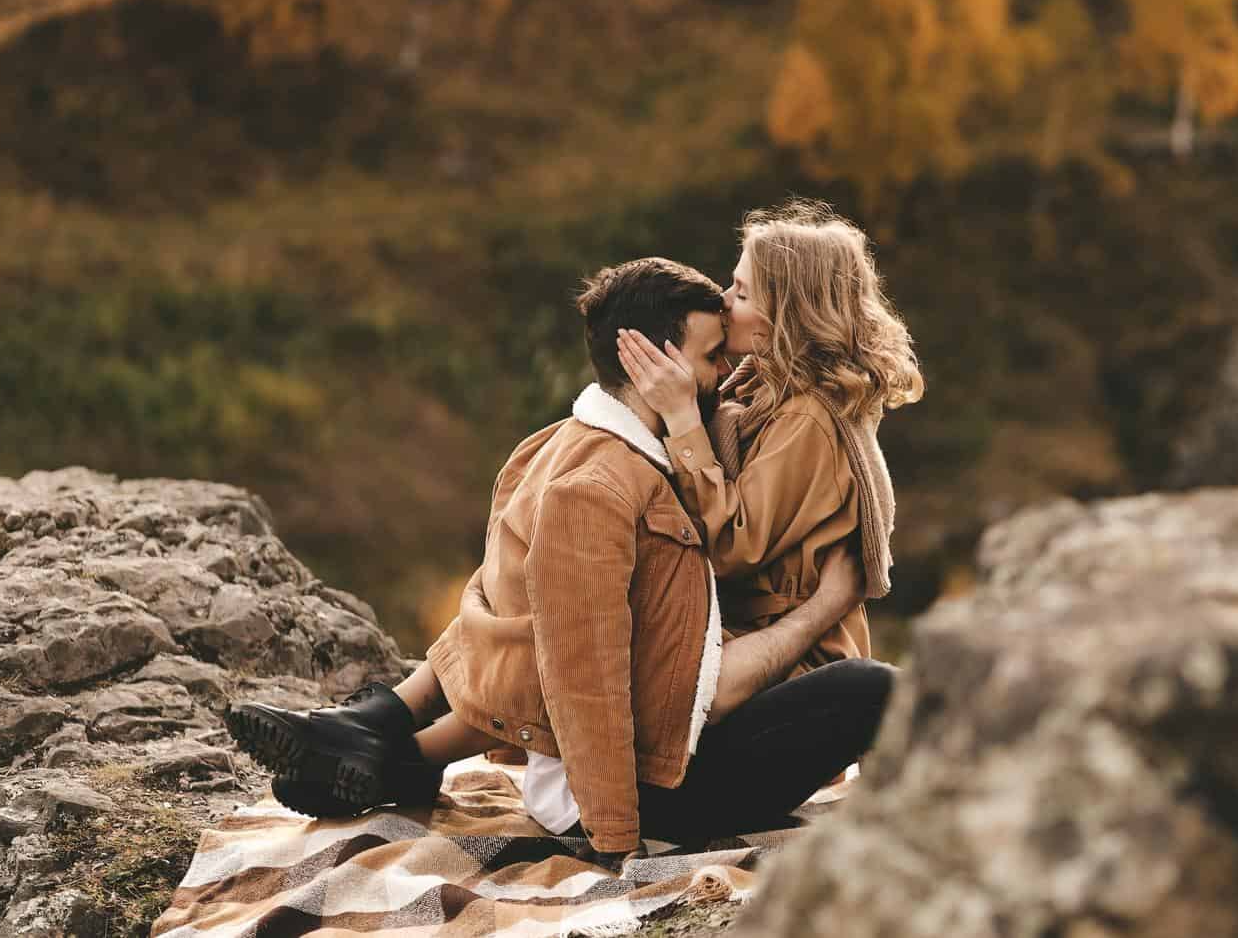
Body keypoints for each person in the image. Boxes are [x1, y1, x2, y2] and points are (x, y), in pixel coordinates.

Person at [227, 257, 895, 862]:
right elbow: (588, 673)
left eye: (740, 293)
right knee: (876, 687)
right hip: (654, 786)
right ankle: (384, 744)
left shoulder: (587, 442)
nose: (724, 374)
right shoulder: (607, 484)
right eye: (712, 355)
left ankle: (383, 746)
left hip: (652, 746)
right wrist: (615, 839)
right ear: (653, 366)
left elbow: (516, 608)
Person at [617, 199, 922, 672]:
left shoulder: (809, 419)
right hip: (748, 639)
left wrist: (682, 419)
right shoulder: (761, 387)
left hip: (792, 661)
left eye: (741, 293)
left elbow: (731, 547)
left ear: (789, 313)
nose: (722, 300)